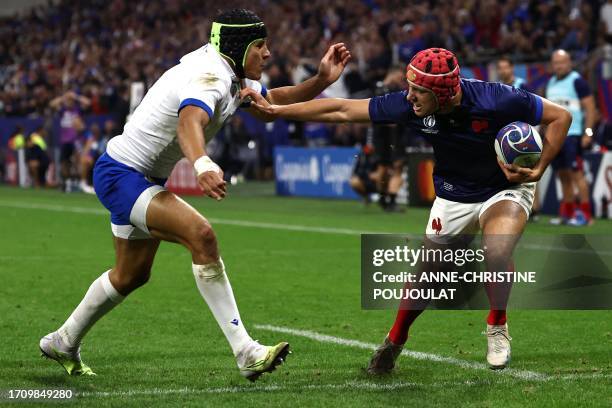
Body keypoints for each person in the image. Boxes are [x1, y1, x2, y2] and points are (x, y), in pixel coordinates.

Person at [39, 8, 350, 381]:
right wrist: (201, 163)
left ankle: (63, 340)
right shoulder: (210, 78)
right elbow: (190, 120)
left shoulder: (228, 72)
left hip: (132, 175)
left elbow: (270, 106)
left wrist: (320, 79)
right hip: (122, 175)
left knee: (130, 275)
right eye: (261, 46)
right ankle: (246, 351)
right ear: (238, 48)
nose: (268, 54)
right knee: (201, 235)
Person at [245, 47, 571, 372]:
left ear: (442, 93)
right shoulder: (408, 105)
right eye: (410, 87)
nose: (409, 96)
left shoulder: (497, 99)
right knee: (427, 275)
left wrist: (540, 167)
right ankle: (395, 341)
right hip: (454, 193)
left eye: (418, 91)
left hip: (504, 187)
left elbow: (561, 117)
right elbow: (342, 110)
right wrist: (277, 111)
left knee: (497, 248)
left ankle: (497, 326)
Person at [545, 49, 598, 226]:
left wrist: (588, 133)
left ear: (569, 63)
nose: (559, 66)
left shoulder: (577, 81)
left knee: (577, 175)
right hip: (555, 136)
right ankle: (567, 214)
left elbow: (591, 108)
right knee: (562, 175)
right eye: (556, 63)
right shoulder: (551, 82)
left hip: (573, 136)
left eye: (562, 62)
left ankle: (586, 216)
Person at [49, 90, 91, 192]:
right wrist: (64, 96)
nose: (69, 102)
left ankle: (78, 182)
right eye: (68, 100)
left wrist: (75, 96)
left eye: (71, 100)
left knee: (77, 161)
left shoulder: (78, 110)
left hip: (76, 140)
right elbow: (52, 104)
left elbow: (88, 103)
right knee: (64, 163)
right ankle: (66, 183)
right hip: (64, 141)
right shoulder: (63, 110)